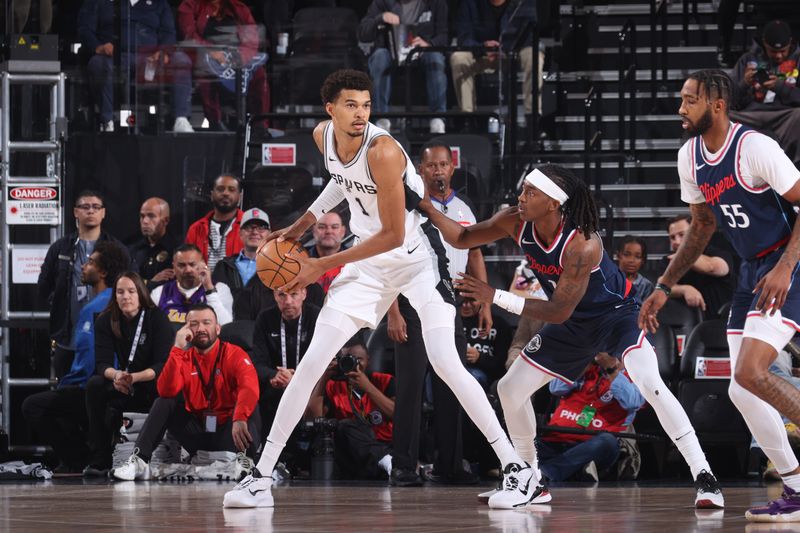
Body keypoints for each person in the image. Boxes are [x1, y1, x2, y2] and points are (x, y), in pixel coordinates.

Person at [223, 69, 527, 509]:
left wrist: (317, 266)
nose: (361, 114)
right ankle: (261, 477)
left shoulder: (383, 151)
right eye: (351, 105)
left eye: (366, 105)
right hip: (368, 265)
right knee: (312, 363)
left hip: (417, 259)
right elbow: (337, 180)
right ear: (330, 109)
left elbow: (391, 234)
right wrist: (300, 225)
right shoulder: (323, 136)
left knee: (447, 364)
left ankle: (517, 469)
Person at [419, 163, 724, 509]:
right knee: (509, 388)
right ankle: (528, 478)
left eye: (530, 192)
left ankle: (705, 477)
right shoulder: (516, 221)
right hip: (574, 325)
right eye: (522, 190)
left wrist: (496, 295)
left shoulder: (583, 244)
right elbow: (462, 237)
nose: (521, 197)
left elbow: (558, 310)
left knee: (650, 382)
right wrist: (426, 207)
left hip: (615, 317)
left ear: (553, 203)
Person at [640, 69, 800, 522]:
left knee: (751, 373)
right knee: (741, 389)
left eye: (689, 100)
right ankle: (797, 488)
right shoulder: (689, 156)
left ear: (716, 104)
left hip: (788, 262)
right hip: (751, 271)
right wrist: (664, 285)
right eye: (681, 99)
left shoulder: (755, 147)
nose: (680, 108)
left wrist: (786, 268)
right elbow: (703, 227)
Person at [387, 140, 490, 486]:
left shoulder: (464, 208)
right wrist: (393, 313)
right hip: (412, 305)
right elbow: (387, 262)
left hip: (449, 304)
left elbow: (474, 254)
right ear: (420, 169)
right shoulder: (406, 208)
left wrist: (483, 298)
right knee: (411, 387)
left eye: (443, 165)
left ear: (452, 168)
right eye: (431, 166)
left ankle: (450, 464)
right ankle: (404, 465)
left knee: (453, 386)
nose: (438, 171)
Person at [113, 304, 261, 480]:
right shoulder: (183, 356)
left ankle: (245, 460)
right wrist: (177, 349)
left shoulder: (235, 354)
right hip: (198, 433)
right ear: (186, 329)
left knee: (250, 406)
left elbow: (249, 387)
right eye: (194, 324)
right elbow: (166, 391)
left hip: (230, 432)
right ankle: (139, 461)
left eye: (207, 322)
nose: (201, 329)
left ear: (218, 328)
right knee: (164, 402)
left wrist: (239, 417)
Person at [22, 240, 127, 473]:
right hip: (99, 387)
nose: (83, 266)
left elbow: (92, 359)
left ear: (103, 272)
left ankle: (77, 460)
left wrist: (67, 384)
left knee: (33, 406)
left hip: (91, 388)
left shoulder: (98, 307)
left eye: (90, 262)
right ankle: (84, 456)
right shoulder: (106, 302)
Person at [84, 271, 174, 475]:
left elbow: (162, 365)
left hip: (150, 381)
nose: (126, 297)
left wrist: (134, 377)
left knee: (164, 388)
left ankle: (145, 456)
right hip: (124, 381)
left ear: (140, 294)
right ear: (114, 296)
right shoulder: (106, 320)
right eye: (120, 292)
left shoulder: (156, 317)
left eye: (131, 291)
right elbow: (102, 364)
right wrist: (116, 376)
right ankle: (101, 458)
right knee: (95, 385)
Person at [38, 190, 128, 379]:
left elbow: (131, 282)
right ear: (75, 212)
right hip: (67, 337)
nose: (90, 211)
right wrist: (59, 302)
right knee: (66, 391)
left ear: (103, 213)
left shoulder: (116, 249)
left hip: (107, 337)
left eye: (96, 207)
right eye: (85, 206)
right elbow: (44, 284)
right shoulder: (61, 247)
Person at [77, 0, 194, 132]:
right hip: (113, 57)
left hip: (150, 60)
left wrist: (163, 51)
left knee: (181, 60)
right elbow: (84, 29)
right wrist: (99, 47)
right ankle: (107, 122)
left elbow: (169, 33)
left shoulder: (159, 3)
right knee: (98, 63)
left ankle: (180, 119)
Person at [538, 353, 645, 482]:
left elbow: (633, 402)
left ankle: (547, 472)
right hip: (556, 439)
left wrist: (612, 371)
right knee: (522, 441)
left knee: (607, 442)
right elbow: (555, 388)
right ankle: (574, 471)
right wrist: (582, 364)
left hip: (592, 444)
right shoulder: (585, 367)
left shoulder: (634, 374)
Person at [309, 335, 395, 479]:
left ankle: (385, 460)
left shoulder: (385, 381)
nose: (354, 363)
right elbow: (312, 417)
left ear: (369, 360)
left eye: (359, 359)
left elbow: (397, 414)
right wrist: (324, 377)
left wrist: (368, 387)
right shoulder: (333, 386)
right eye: (347, 359)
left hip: (385, 443)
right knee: (345, 426)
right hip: (352, 454)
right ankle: (384, 460)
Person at [177, 0, 270, 132]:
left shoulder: (238, 8)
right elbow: (189, 35)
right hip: (205, 56)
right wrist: (212, 52)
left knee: (260, 74)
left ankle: (260, 124)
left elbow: (251, 39)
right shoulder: (190, 5)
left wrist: (239, 56)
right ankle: (216, 122)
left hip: (234, 57)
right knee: (206, 73)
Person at [358, 0, 449, 134]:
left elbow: (444, 36)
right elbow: (363, 33)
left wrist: (429, 43)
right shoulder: (382, 3)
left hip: (422, 51)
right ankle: (381, 119)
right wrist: (380, 18)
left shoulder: (435, 3)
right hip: (390, 51)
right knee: (379, 57)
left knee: (435, 57)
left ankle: (438, 118)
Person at [730, 19, 800, 167]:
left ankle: (786, 167)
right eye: (773, 51)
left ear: (791, 43)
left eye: (783, 51)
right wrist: (744, 84)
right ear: (764, 44)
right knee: (718, 116)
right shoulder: (747, 60)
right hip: (750, 117)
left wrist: (781, 87)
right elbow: (726, 100)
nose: (779, 56)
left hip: (786, 116)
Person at [450, 0, 538, 118]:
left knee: (532, 54)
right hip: (482, 54)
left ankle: (532, 118)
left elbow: (530, 35)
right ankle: (467, 117)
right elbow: (464, 38)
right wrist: (483, 47)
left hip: (512, 53)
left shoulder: (522, 3)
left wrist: (506, 48)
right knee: (458, 57)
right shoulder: (470, 3)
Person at [252, 286, 321, 430]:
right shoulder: (265, 318)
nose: (288, 301)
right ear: (275, 296)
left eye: (294, 294)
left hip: (310, 384)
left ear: (304, 294)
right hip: (276, 386)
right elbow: (257, 361)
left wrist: (297, 379)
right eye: (282, 295)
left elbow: (323, 359)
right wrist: (274, 375)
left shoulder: (317, 317)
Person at [664, 214, 734, 319]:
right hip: (688, 324)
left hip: (722, 321)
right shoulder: (668, 260)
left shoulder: (719, 253)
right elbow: (661, 287)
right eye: (672, 237)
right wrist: (684, 289)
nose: (676, 241)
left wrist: (683, 257)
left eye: (682, 235)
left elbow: (713, 267)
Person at [150, 244, 234, 325]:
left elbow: (226, 326)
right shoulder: (160, 292)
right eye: (181, 265)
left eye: (192, 264)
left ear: (203, 265)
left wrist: (209, 289)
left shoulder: (220, 288)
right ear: (174, 267)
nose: (188, 270)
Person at [185, 174, 245, 271]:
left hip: (238, 285)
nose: (226, 193)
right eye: (220, 189)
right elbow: (187, 263)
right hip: (203, 284)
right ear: (212, 195)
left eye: (231, 190)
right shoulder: (196, 229)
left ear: (240, 196)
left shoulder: (249, 227)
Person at [213, 207, 271, 300]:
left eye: (261, 228)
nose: (255, 232)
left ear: (269, 234)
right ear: (240, 234)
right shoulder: (223, 267)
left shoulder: (277, 267)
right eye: (249, 227)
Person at [462, 299, 512, 390]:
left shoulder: (499, 324)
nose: (467, 305)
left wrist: (479, 358)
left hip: (482, 371)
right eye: (462, 301)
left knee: (473, 377)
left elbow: (502, 364)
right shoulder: (449, 321)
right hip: (453, 367)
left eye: (472, 301)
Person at [128, 198, 176, 287]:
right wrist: (151, 282)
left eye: (151, 216)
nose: (145, 221)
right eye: (142, 216)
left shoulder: (176, 250)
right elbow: (127, 282)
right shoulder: (132, 250)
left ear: (166, 220)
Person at [307, 211, 348, 294]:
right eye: (322, 227)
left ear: (343, 231)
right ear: (314, 230)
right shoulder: (300, 261)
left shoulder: (354, 263)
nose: (329, 231)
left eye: (334, 227)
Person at [616, 235, 654, 304]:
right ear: (618, 255)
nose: (631, 260)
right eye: (626, 254)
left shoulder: (646, 285)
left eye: (637, 256)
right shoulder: (608, 281)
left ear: (643, 260)